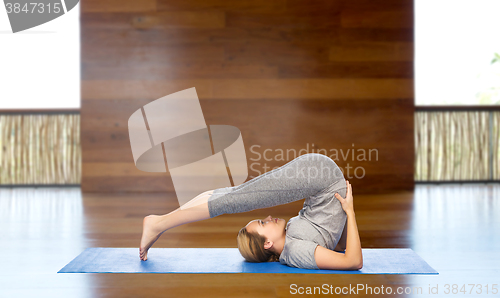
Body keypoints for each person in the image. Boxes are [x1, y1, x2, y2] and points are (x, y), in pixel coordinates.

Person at [139, 153, 362, 270]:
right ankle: (158, 224)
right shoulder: (295, 251)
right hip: (320, 176)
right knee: (232, 199)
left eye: (262, 221)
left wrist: (344, 211)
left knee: (231, 196)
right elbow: (350, 259)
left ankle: (160, 221)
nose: (267, 218)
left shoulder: (290, 239)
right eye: (263, 224)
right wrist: (349, 212)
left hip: (318, 176)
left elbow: (335, 242)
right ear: (267, 244)